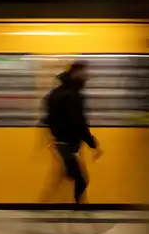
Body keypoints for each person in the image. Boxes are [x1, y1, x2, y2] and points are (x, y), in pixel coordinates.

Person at [40, 60, 103, 208]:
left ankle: (48, 206)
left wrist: (54, 132)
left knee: (65, 176)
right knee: (81, 179)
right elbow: (79, 122)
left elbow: (47, 114)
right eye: (84, 73)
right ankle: (80, 207)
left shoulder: (58, 92)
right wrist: (93, 144)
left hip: (62, 142)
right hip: (66, 143)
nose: (87, 76)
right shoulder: (72, 95)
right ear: (76, 73)